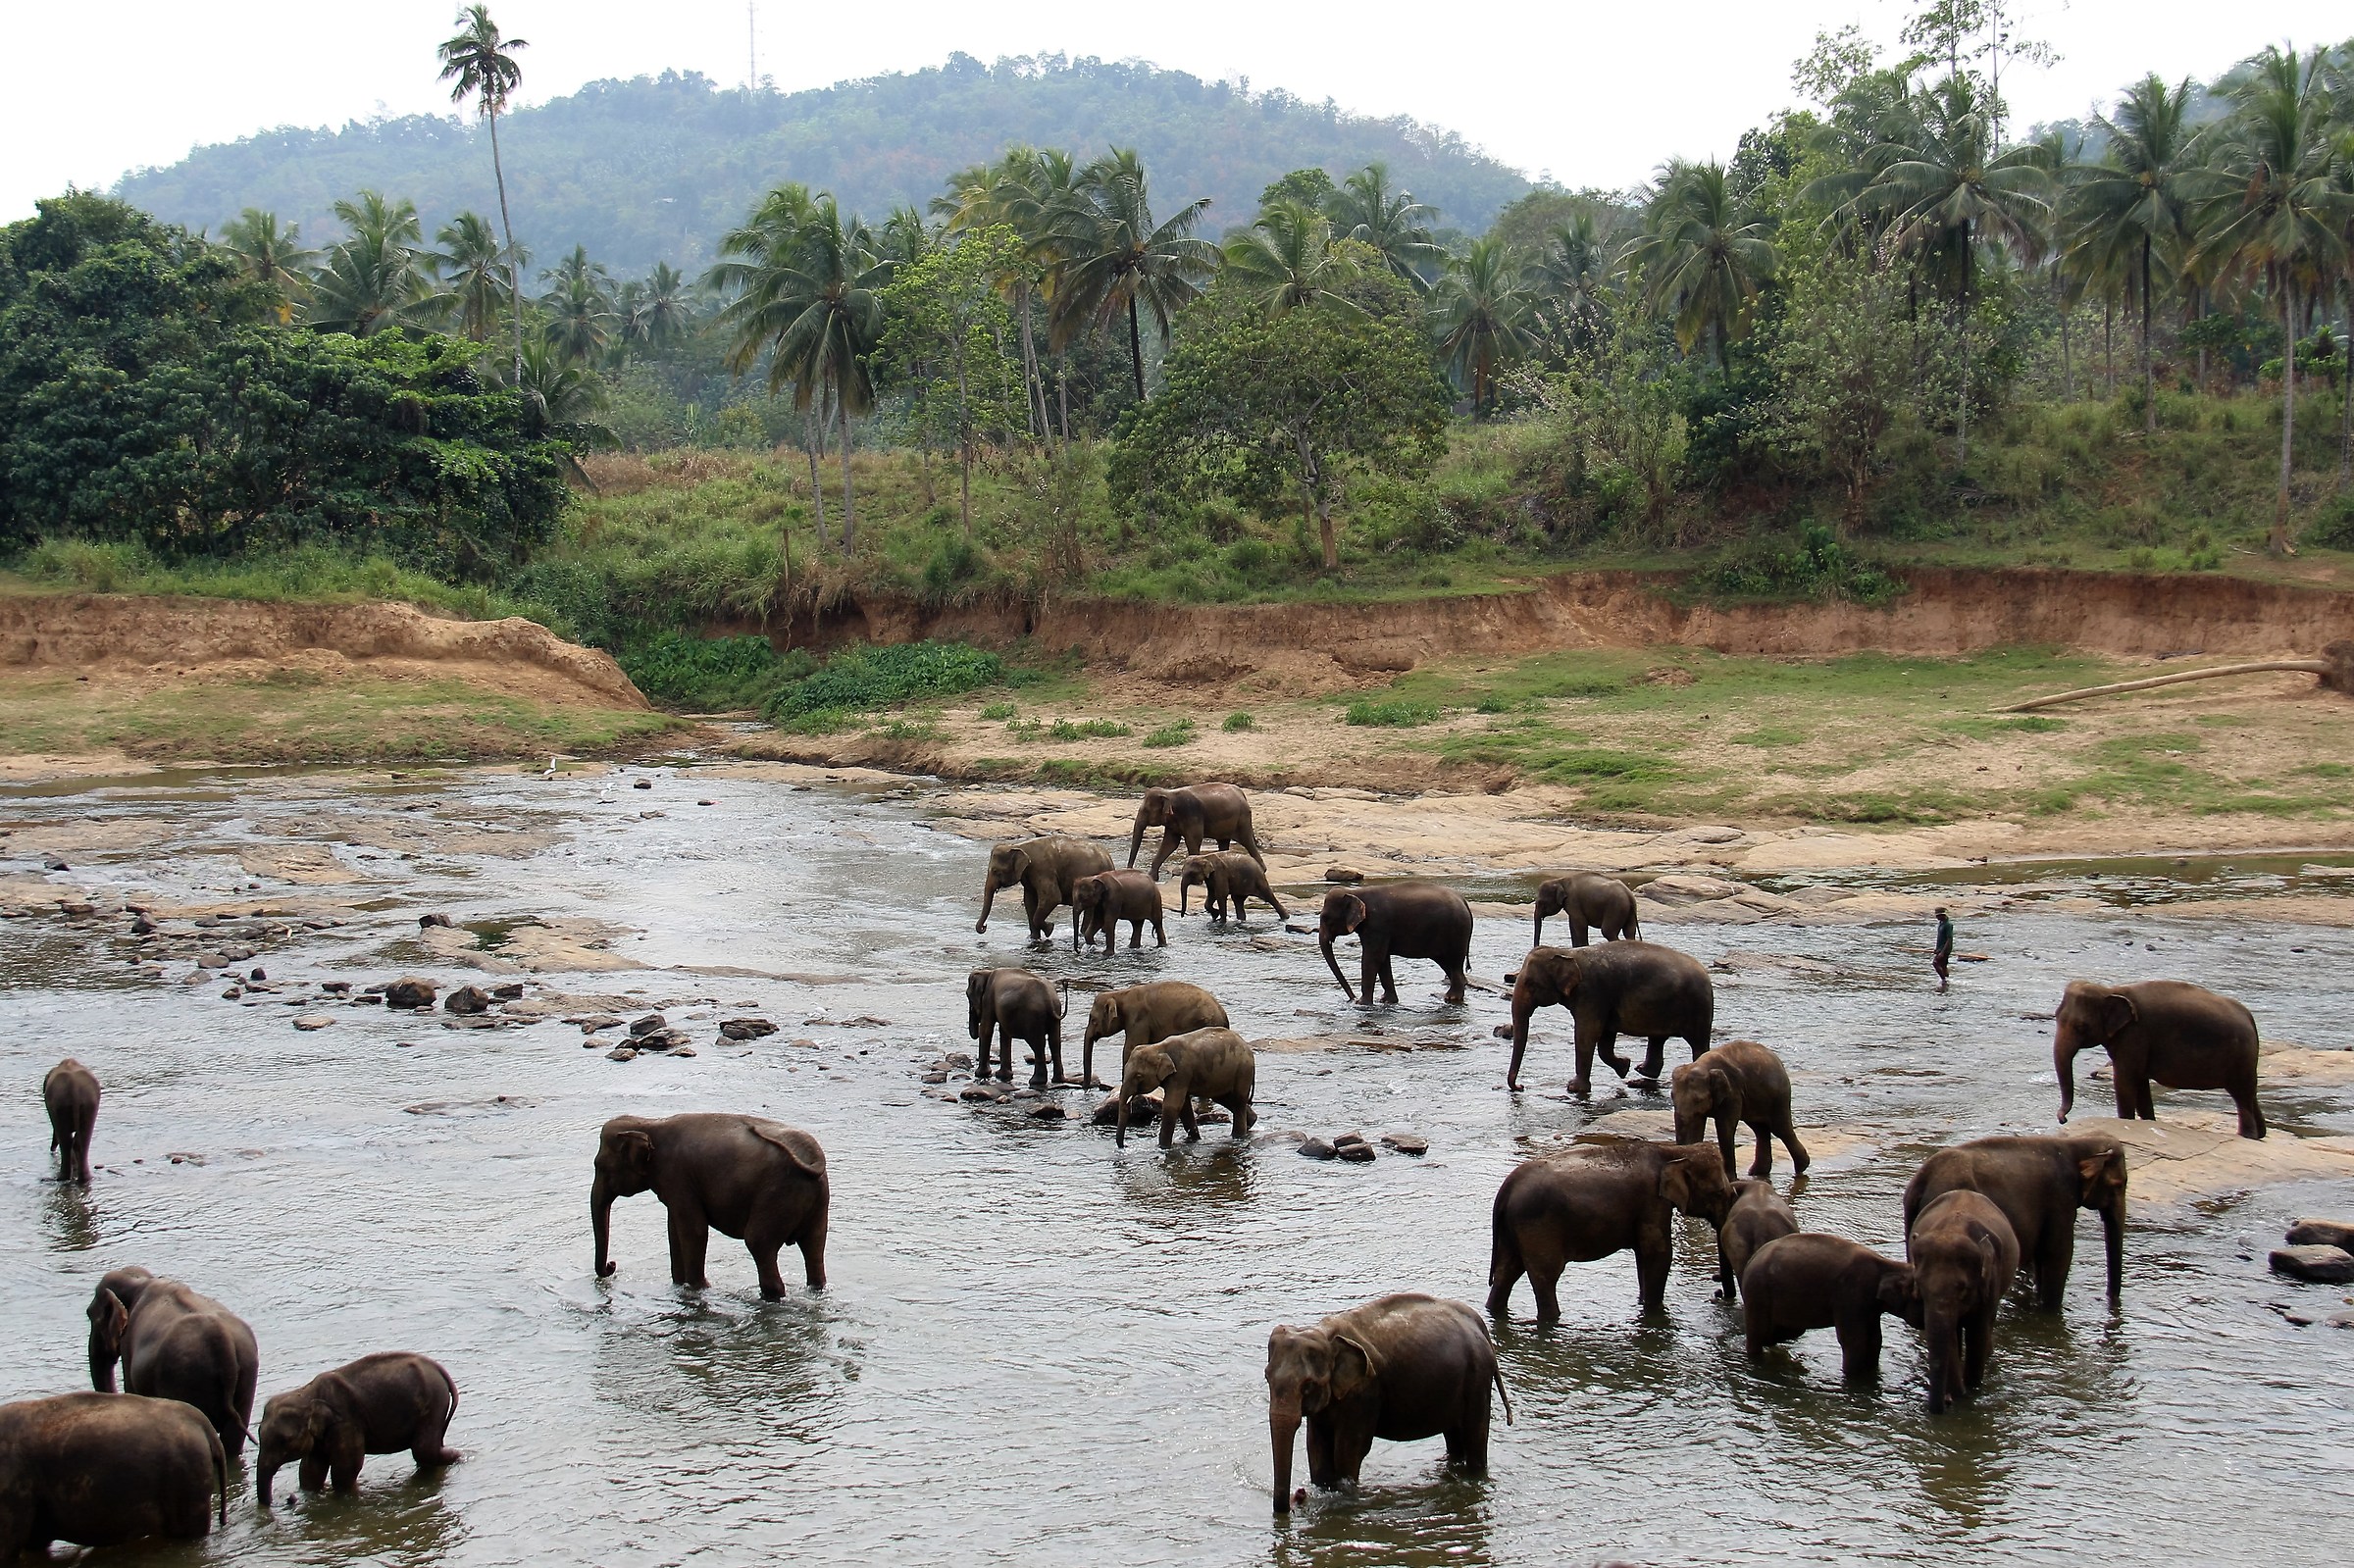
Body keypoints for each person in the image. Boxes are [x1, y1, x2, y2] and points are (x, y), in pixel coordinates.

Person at [1932, 906, 1954, 991]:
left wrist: (1942, 952)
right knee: (1943, 965)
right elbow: (1940, 938)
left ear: (1943, 915)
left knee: (1936, 963)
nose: (1936, 918)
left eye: (1938, 916)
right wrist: (1937, 949)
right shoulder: (1941, 923)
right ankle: (1946, 980)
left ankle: (1944, 980)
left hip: (1945, 949)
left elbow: (1949, 939)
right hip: (1940, 948)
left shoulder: (1948, 925)